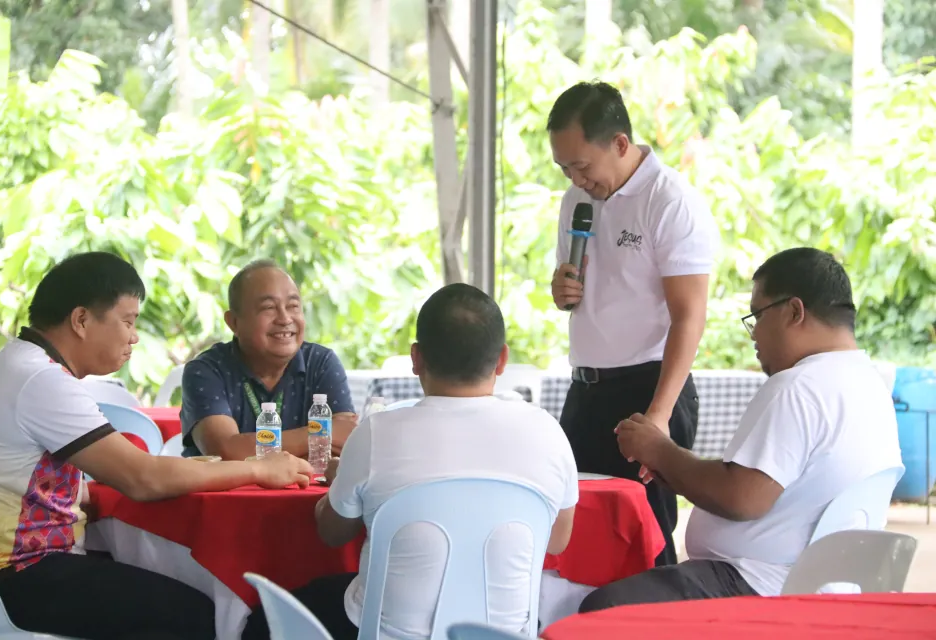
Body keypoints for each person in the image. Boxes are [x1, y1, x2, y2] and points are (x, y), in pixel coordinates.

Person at [0, 252, 310, 640]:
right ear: (81, 320)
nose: (134, 336)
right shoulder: (43, 381)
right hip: (16, 574)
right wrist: (259, 468)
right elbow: (143, 478)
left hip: (1, 569)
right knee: (196, 617)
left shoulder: (13, 363)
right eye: (127, 321)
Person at [242, 283, 580, 640]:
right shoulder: (548, 433)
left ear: (415, 359)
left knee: (261, 621)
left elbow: (332, 533)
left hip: (382, 633)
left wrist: (336, 483)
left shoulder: (378, 433)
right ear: (502, 360)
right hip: (502, 634)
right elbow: (556, 540)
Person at [579, 248, 903, 611]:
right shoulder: (867, 382)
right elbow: (770, 483)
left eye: (758, 316)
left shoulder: (799, 386)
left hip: (756, 584)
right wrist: (673, 468)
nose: (753, 336)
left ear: (794, 311)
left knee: (603, 610)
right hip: (825, 585)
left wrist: (659, 449)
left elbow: (742, 497)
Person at [548, 81, 719, 565]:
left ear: (620, 144)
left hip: (649, 391)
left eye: (582, 165)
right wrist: (562, 290)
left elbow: (690, 316)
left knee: (646, 545)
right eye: (564, 168)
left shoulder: (669, 202)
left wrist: (659, 419)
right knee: (575, 533)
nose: (575, 178)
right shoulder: (574, 202)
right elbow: (580, 286)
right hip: (586, 388)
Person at [181, 259, 357, 459]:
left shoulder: (320, 363)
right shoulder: (206, 371)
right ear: (234, 322)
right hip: (229, 491)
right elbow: (225, 450)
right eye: (268, 308)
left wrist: (251, 446)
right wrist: (321, 433)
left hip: (307, 490)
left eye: (293, 306)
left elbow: (346, 439)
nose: (284, 319)